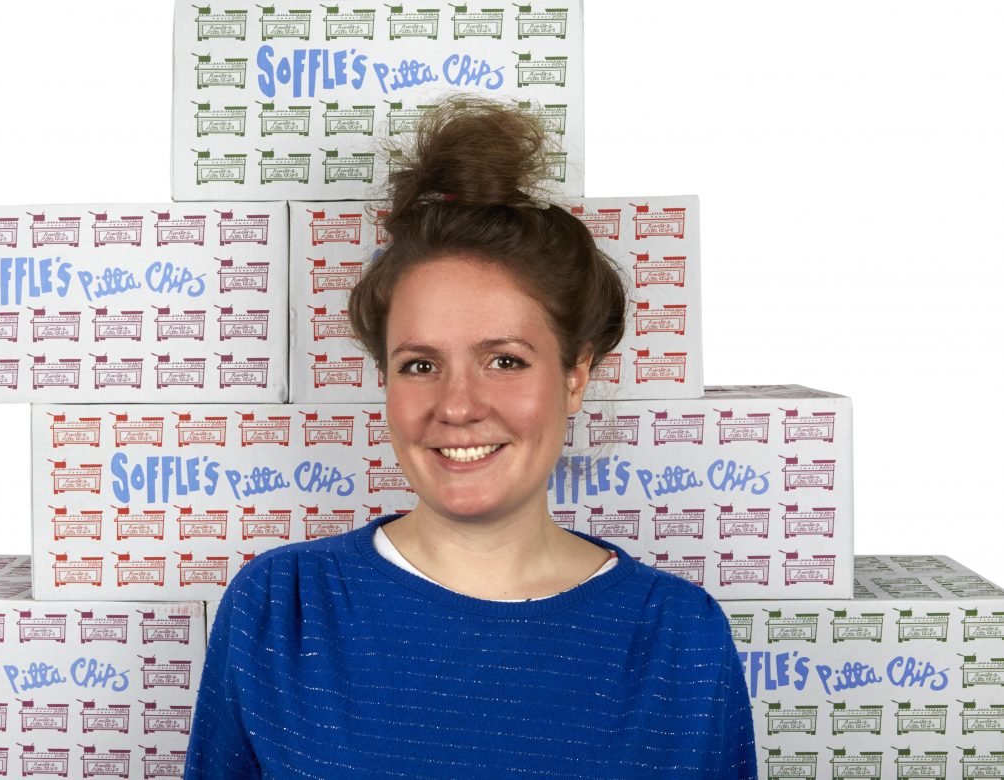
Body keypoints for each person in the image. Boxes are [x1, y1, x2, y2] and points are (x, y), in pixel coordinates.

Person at [184, 97, 758, 779]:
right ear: (385, 379)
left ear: (575, 375)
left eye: (505, 361)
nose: (457, 406)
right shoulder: (281, 608)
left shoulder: (681, 638)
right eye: (420, 365)